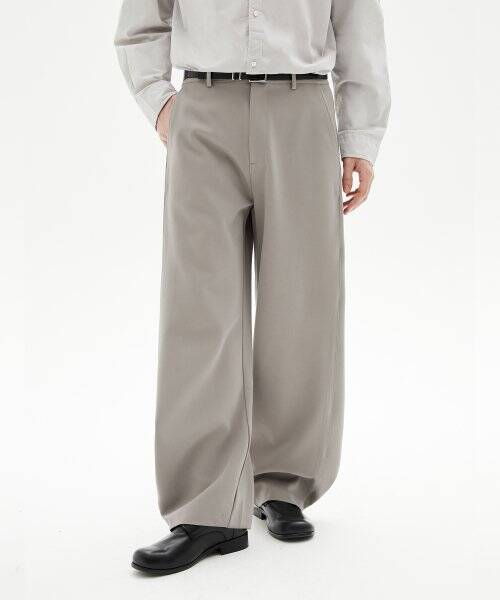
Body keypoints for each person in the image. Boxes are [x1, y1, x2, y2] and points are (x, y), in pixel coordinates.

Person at [115, 0, 390, 575]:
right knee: (198, 311)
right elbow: (141, 23)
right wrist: (161, 103)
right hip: (203, 106)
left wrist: (359, 137)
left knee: (302, 306)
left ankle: (282, 483)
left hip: (302, 108)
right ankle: (205, 510)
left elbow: (357, 26)